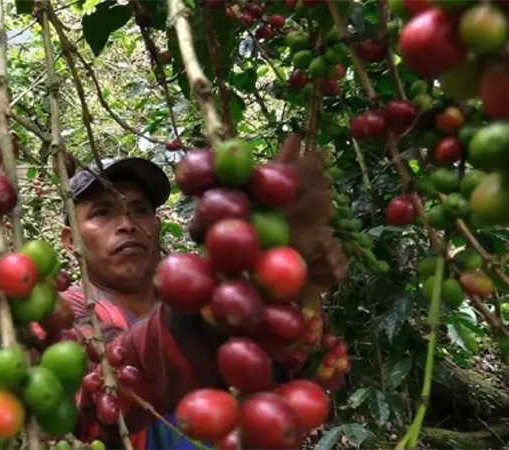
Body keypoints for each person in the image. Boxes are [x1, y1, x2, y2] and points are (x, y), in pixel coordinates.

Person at [58, 134, 348, 450]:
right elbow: (116, 380)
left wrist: (300, 301)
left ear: (156, 226)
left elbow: (280, 382)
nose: (127, 224)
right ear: (70, 240)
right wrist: (228, 299)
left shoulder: (191, 294)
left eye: (139, 210)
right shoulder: (64, 314)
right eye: (102, 213)